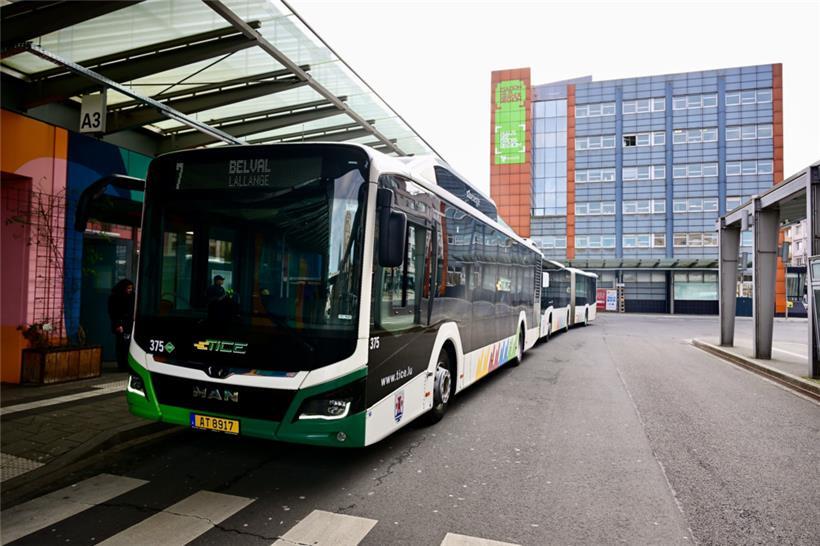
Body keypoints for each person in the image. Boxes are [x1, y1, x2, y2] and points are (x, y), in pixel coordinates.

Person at [108, 279, 135, 372]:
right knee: (121, 345)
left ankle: (128, 364)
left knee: (128, 345)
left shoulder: (132, 296)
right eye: (128, 288)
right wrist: (118, 325)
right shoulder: (115, 297)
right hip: (120, 324)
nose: (130, 290)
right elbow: (113, 313)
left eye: (131, 288)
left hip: (129, 324)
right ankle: (122, 365)